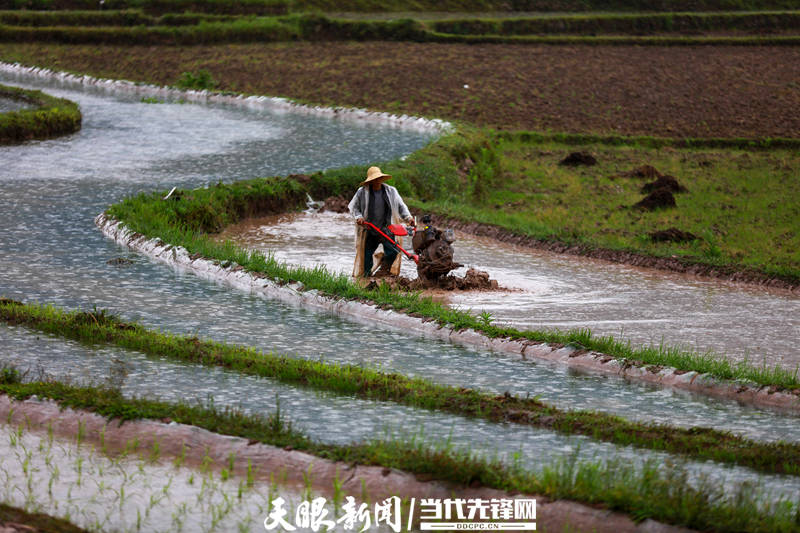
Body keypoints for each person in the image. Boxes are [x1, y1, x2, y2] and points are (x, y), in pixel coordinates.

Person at [348, 166, 414, 277]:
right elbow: (354, 207)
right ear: (370, 181)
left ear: (381, 179)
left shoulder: (390, 191)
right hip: (370, 229)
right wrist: (359, 217)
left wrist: (408, 218)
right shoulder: (362, 192)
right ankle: (366, 277)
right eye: (374, 179)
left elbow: (401, 206)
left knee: (394, 251)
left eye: (378, 178)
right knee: (366, 255)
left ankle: (384, 270)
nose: (377, 181)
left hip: (386, 228)